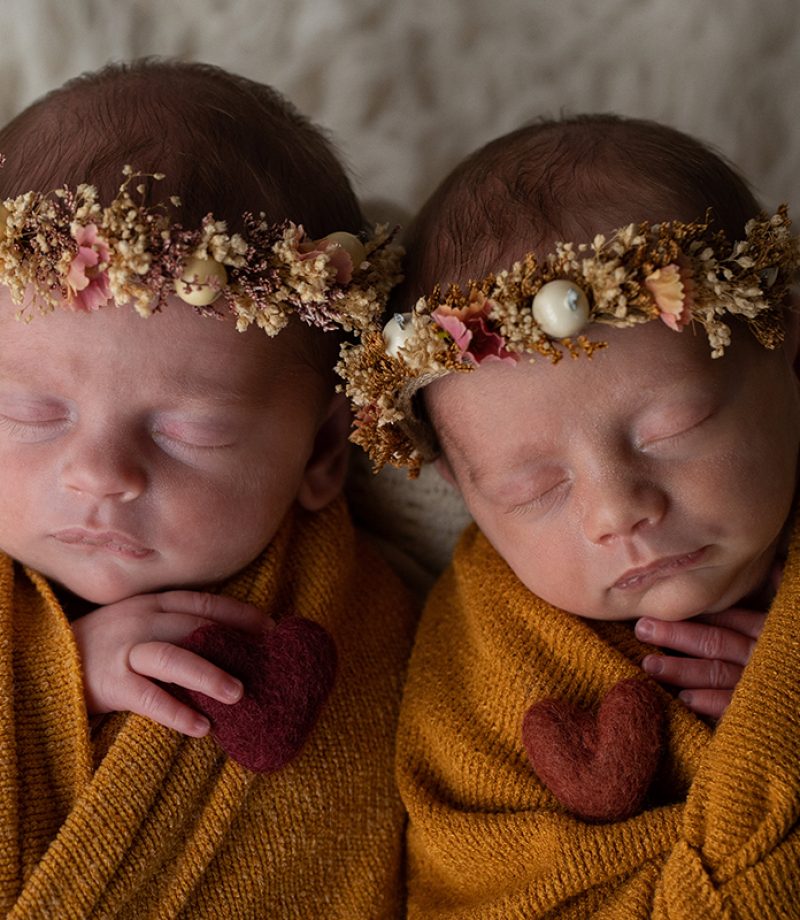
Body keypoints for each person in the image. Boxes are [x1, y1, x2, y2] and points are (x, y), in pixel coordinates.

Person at [338, 114, 800, 915]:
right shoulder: (486, 656)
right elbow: (481, 885)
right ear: (460, 487)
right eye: (532, 488)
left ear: (785, 339)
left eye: (673, 431)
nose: (617, 512)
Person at [0, 59, 417, 919]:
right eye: (30, 413)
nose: (99, 474)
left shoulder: (378, 621)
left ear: (323, 451)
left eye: (190, 431)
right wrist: (52, 682)